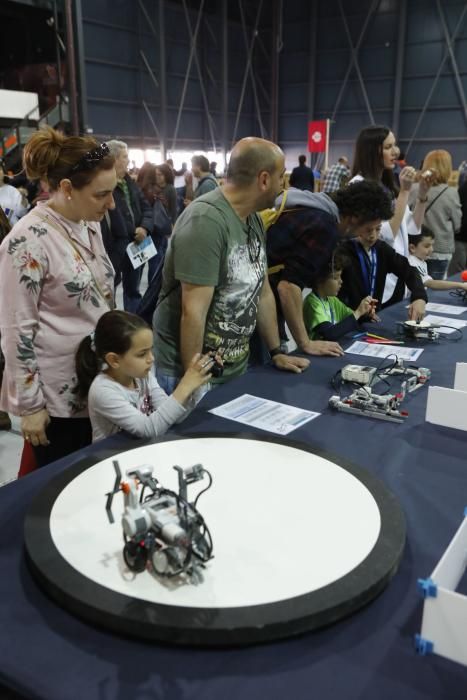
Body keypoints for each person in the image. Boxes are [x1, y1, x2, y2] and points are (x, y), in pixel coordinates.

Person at [153, 137, 309, 392]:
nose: (285, 184)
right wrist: (192, 384)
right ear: (264, 180)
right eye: (281, 176)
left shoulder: (253, 220)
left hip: (234, 368)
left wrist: (275, 351)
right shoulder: (206, 221)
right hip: (193, 375)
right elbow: (193, 311)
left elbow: (262, 291)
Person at [0, 126, 116, 467]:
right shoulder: (26, 242)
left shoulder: (88, 221)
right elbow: (16, 331)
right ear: (66, 188)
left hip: (97, 382)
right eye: (101, 195)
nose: (110, 204)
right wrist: (31, 406)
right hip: (58, 401)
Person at [266, 180, 394, 356]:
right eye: (367, 228)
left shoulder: (317, 205)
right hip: (257, 304)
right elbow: (288, 287)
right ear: (355, 217)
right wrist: (306, 343)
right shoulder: (325, 226)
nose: (363, 235)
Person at [75, 310, 215, 441]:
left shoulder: (141, 375)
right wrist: (185, 385)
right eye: (142, 354)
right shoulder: (103, 390)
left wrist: (196, 385)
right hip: (114, 460)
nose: (151, 358)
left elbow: (171, 417)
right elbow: (149, 429)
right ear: (114, 360)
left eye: (150, 350)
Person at [350, 125, 434, 304]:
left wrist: (422, 195)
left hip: (396, 274)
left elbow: (412, 227)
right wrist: (404, 192)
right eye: (388, 147)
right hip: (373, 278)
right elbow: (386, 235)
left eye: (395, 145)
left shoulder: (387, 185)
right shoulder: (359, 185)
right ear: (372, 152)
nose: (396, 151)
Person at [338, 219, 427, 320]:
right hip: (347, 317)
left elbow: (409, 270)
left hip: (372, 316)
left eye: (378, 229)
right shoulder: (344, 250)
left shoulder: (381, 249)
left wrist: (419, 297)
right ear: (358, 227)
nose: (373, 235)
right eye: (368, 230)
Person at [106, 140, 153, 312]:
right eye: (125, 157)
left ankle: (133, 323)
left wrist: (144, 228)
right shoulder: (105, 186)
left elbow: (147, 208)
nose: (128, 161)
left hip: (138, 244)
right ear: (114, 159)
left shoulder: (130, 183)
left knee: (133, 290)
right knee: (109, 290)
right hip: (115, 248)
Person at [408, 150, 461, 280]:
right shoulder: (451, 192)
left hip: (415, 247)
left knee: (413, 286)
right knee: (435, 290)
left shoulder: (413, 188)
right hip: (440, 248)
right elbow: (457, 224)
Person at [303, 253, 377, 341]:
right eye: (336, 277)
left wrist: (365, 314)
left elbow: (351, 321)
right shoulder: (312, 303)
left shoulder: (332, 300)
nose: (341, 281)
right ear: (319, 280)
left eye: (340, 276)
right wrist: (358, 312)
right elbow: (330, 334)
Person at [408, 229, 467, 293]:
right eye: (427, 246)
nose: (432, 249)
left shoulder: (420, 261)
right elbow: (430, 283)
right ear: (412, 248)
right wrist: (461, 285)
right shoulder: (412, 263)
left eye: (432, 245)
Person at [0, 158, 29, 224]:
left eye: (0, 169)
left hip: (16, 230)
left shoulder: (10, 190)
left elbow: (21, 213)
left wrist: (23, 198)